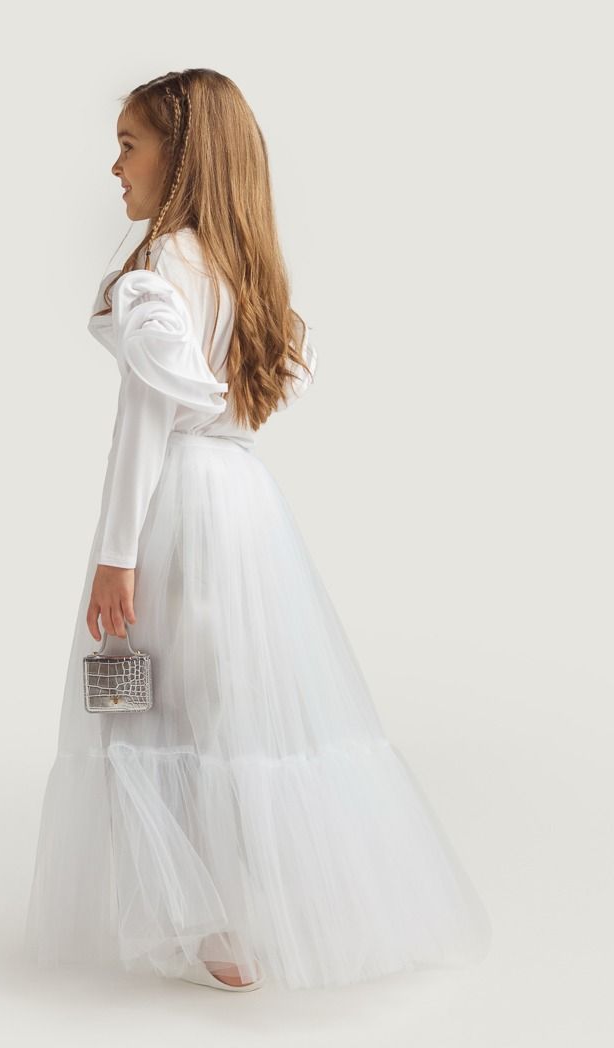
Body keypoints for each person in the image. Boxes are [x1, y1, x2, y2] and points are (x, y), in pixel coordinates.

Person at [24, 68, 492, 993]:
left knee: (151, 709)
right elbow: (249, 398)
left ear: (181, 156)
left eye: (128, 146)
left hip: (173, 507)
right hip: (245, 506)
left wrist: (116, 555)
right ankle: (263, 911)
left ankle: (206, 922)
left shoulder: (160, 272)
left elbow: (144, 423)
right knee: (242, 704)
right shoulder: (248, 274)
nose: (114, 168)